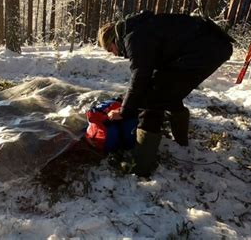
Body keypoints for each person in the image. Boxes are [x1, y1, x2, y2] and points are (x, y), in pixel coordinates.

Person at [98, 10, 234, 177]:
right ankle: (181, 143)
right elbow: (151, 75)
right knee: (166, 89)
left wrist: (124, 111)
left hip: (205, 51)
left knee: (155, 102)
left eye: (111, 50)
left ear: (113, 40)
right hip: (210, 46)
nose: (115, 54)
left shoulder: (134, 38)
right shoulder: (138, 29)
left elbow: (141, 76)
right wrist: (124, 100)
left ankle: (140, 166)